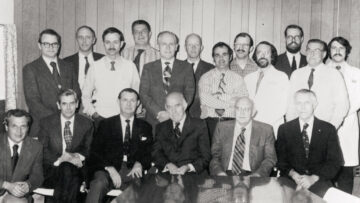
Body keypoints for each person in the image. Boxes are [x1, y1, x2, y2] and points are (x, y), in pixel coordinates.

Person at [86, 88, 153, 203]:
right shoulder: (105, 124)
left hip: (132, 171)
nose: (128, 104)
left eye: (132, 100)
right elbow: (95, 152)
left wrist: (140, 163)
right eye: (125, 100)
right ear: (118, 102)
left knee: (141, 188)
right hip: (107, 171)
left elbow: (149, 152)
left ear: (138, 103)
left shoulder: (145, 126)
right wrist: (109, 168)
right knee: (98, 184)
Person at [276, 89, 343, 194]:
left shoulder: (328, 129)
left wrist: (313, 178)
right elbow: (281, 160)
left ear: (314, 104)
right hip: (291, 180)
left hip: (319, 180)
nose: (302, 107)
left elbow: (335, 162)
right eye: (299, 103)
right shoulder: (284, 129)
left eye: (307, 103)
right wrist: (293, 174)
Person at [38, 89, 94, 202]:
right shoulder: (46, 123)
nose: (68, 108)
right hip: (52, 169)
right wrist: (62, 159)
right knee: (68, 170)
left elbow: (88, 150)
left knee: (68, 170)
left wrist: (74, 157)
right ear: (58, 105)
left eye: (72, 103)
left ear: (77, 104)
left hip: (78, 168)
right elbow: (42, 150)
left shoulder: (87, 123)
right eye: (64, 103)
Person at [23, 29, 81, 137]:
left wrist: (67, 117)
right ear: (39, 45)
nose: (51, 47)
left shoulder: (68, 66)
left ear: (59, 46)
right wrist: (58, 119)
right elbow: (33, 101)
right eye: (46, 44)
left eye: (54, 44)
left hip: (69, 124)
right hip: (42, 126)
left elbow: (76, 92)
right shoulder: (30, 69)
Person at [82, 27, 140, 127]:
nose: (111, 46)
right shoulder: (95, 66)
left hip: (124, 120)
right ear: (103, 43)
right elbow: (85, 95)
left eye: (115, 42)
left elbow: (137, 92)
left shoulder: (130, 66)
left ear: (121, 44)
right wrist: (94, 114)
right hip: (100, 119)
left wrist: (131, 115)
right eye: (108, 42)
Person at [286, 39, 349, 129]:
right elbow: (290, 105)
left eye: (316, 51)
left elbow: (342, 106)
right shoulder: (296, 74)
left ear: (323, 54)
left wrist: (330, 129)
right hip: (298, 129)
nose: (312, 54)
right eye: (309, 50)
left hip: (324, 129)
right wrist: (292, 128)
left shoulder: (334, 74)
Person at [140, 31, 195, 129]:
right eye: (164, 44)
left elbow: (189, 93)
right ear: (158, 46)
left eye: (171, 44)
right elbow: (143, 94)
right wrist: (159, 113)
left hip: (179, 120)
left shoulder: (186, 67)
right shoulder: (148, 68)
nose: (168, 47)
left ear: (176, 46)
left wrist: (174, 113)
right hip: (154, 121)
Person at [210, 97, 277, 177]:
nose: (242, 113)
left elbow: (270, 159)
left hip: (253, 175)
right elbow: (215, 156)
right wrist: (220, 173)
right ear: (234, 111)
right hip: (226, 174)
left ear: (253, 112)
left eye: (247, 109)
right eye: (238, 109)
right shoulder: (221, 128)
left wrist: (257, 175)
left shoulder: (266, 130)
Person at [327, 37, 360, 194]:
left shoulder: (356, 73)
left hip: (348, 125)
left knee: (346, 170)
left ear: (347, 51)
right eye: (334, 48)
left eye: (341, 48)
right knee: (327, 168)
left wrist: (340, 115)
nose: (338, 51)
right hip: (326, 123)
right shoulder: (323, 71)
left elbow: (357, 100)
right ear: (329, 51)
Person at [198, 42, 248, 140]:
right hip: (209, 123)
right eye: (217, 55)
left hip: (231, 123)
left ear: (230, 57)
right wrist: (230, 101)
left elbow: (242, 101)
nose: (221, 58)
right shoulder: (205, 77)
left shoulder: (238, 79)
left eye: (224, 54)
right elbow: (205, 99)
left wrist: (216, 97)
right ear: (213, 58)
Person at [152, 92, 211, 175]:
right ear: (165, 108)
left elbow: (206, 157)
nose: (173, 111)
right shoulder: (160, 127)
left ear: (185, 105)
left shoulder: (199, 125)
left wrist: (188, 167)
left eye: (177, 105)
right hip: (168, 174)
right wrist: (168, 165)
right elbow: (156, 153)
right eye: (169, 107)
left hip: (193, 175)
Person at [244, 41, 289, 136]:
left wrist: (261, 124)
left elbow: (283, 106)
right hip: (250, 128)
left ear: (272, 55)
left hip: (271, 128)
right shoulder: (248, 78)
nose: (263, 55)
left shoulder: (281, 77)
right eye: (259, 52)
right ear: (255, 56)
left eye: (267, 52)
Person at [0, 109, 43, 203]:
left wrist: (28, 185)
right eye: (14, 126)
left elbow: (38, 175)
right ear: (6, 127)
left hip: (15, 196)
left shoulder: (36, 147)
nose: (19, 131)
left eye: (23, 126)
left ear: (28, 128)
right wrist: (6, 185)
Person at [184, 33, 214, 118]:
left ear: (201, 47)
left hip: (203, 118)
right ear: (185, 47)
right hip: (181, 118)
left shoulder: (211, 69)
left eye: (196, 45)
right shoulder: (177, 67)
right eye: (190, 45)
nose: (193, 48)